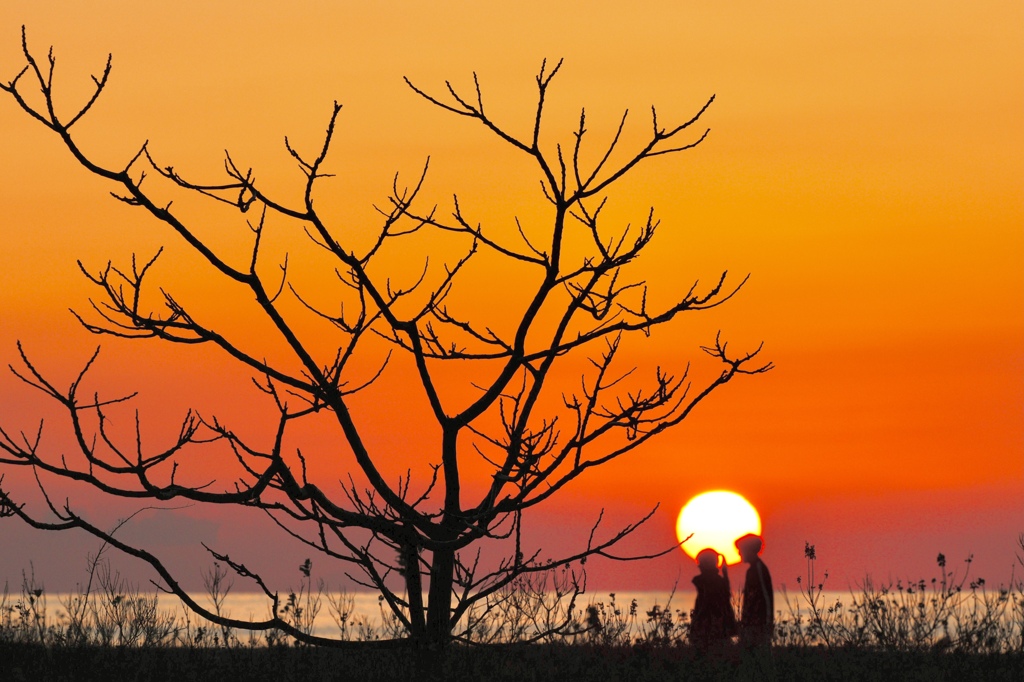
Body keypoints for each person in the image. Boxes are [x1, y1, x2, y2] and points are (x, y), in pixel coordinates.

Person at [689, 548, 737, 650]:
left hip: (708, 623)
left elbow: (705, 604)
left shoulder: (706, 581)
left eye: (700, 563)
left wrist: (696, 622)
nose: (699, 566)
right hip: (719, 623)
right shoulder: (719, 581)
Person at [735, 533, 774, 647]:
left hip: (759, 625)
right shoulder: (752, 570)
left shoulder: (759, 569)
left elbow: (766, 597)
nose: (739, 553)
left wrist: (767, 624)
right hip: (750, 625)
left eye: (740, 550)